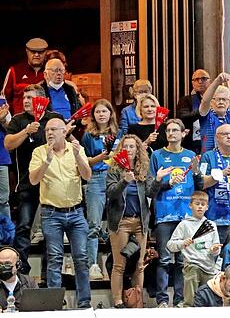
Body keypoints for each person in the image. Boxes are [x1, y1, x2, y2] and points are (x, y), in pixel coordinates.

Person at [28, 117, 92, 308]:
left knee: (81, 257)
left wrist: (79, 156)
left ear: (64, 132)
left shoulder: (77, 149)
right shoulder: (39, 152)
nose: (49, 133)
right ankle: (54, 304)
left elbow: (87, 176)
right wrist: (47, 161)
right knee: (54, 258)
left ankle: (84, 303)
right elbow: (33, 180)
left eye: (54, 129)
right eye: (47, 130)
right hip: (51, 213)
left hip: (76, 212)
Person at [4, 85, 62, 274]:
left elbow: (65, 142)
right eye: (24, 97)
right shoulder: (19, 120)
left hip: (53, 183)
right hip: (27, 183)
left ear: (41, 100)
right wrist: (27, 131)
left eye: (30, 98)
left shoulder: (54, 119)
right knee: (23, 226)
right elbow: (8, 144)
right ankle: (21, 271)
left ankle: (48, 273)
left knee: (50, 230)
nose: (26, 101)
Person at [150, 119, 202, 308]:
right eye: (168, 130)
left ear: (183, 133)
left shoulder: (191, 156)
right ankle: (162, 300)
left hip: (186, 217)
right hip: (165, 215)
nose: (171, 133)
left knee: (183, 261)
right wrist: (167, 182)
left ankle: (180, 299)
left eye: (175, 130)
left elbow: (200, 187)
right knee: (164, 260)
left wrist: (196, 173)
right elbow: (150, 188)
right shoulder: (157, 155)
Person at [106, 134, 160, 308]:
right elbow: (111, 193)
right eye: (125, 147)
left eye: (131, 147)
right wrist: (124, 181)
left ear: (138, 150)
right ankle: (118, 301)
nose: (128, 150)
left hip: (140, 223)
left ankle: (137, 300)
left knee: (139, 264)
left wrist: (158, 180)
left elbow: (151, 193)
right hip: (120, 222)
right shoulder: (114, 169)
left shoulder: (144, 169)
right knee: (119, 265)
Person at [80, 99, 120, 280]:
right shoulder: (88, 135)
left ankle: (118, 263)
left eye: (105, 111)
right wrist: (101, 157)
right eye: (98, 112)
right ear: (93, 115)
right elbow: (85, 161)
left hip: (115, 178)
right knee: (94, 224)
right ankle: (93, 264)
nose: (101, 114)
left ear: (111, 113)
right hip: (95, 178)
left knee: (118, 224)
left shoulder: (119, 133)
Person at [167, 190, 222, 307]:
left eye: (203, 204)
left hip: (209, 267)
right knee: (190, 300)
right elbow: (170, 245)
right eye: (197, 204)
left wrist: (215, 249)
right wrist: (182, 243)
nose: (200, 207)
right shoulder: (184, 225)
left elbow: (217, 247)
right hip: (192, 265)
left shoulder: (211, 225)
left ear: (207, 207)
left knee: (209, 301)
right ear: (190, 205)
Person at [3, 38, 47, 115]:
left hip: (44, 120)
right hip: (18, 120)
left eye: (40, 52)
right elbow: (4, 97)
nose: (36, 55)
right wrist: (10, 119)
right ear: (27, 51)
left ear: (45, 52)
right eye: (33, 51)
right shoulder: (15, 70)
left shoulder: (50, 71)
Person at [198, 73, 230, 153]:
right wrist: (217, 81)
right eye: (217, 99)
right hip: (209, 158)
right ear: (211, 101)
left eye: (224, 99)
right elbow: (205, 101)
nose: (221, 102)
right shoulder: (206, 114)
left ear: (229, 102)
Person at [175, 69, 211, 152]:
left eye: (204, 78)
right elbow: (183, 117)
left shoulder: (216, 99)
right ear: (192, 83)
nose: (200, 81)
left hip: (212, 140)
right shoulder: (186, 100)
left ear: (210, 81)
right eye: (196, 79)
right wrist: (202, 111)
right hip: (191, 143)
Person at [0, 246, 39, 310]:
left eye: (7, 264)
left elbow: (38, 306)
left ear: (18, 265)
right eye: (0, 264)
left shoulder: (29, 283)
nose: (3, 267)